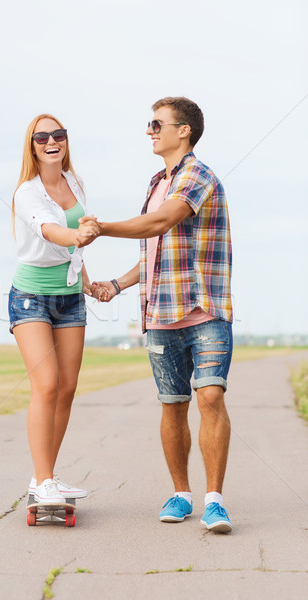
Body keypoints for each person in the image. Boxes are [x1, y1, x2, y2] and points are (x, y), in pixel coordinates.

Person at [80, 97, 233, 533]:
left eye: (157, 123)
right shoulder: (155, 181)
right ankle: (181, 494)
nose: (150, 131)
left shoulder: (197, 175)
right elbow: (153, 250)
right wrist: (117, 284)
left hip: (203, 311)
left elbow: (159, 224)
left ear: (183, 130)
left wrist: (102, 227)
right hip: (160, 314)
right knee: (172, 405)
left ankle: (215, 501)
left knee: (210, 397)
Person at [9, 114, 98, 504]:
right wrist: (78, 234)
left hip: (71, 295)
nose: (51, 141)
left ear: (65, 141)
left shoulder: (75, 181)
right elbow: (50, 230)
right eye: (41, 136)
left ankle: (44, 478)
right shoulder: (26, 193)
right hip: (31, 296)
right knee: (45, 385)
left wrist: (87, 277)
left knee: (67, 388)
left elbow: (71, 246)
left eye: (57, 135)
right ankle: (44, 480)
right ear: (32, 146)